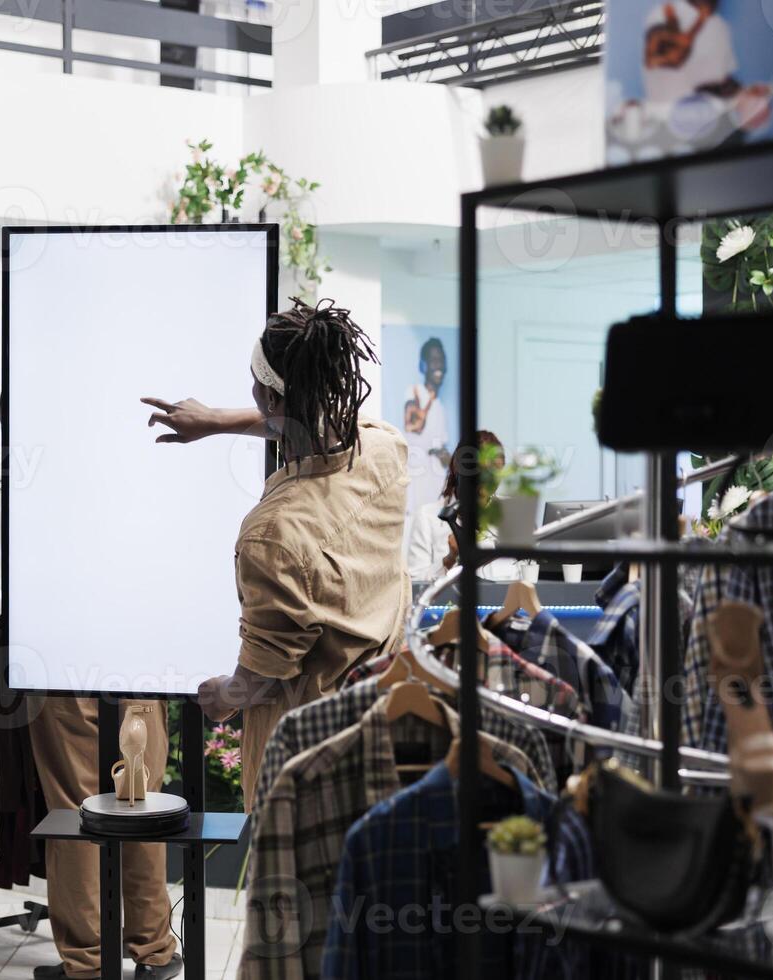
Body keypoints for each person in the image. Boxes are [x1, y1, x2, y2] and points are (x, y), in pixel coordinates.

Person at [0, 398, 180, 980]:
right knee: (140, 806)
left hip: (66, 671)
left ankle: (87, 962)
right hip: (144, 664)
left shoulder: (34, 481)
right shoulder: (129, 472)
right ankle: (155, 952)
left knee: (80, 813)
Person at [144, 298, 410, 808]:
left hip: (303, 767)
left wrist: (222, 698)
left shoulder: (272, 535)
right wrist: (218, 420)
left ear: (267, 394)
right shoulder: (384, 450)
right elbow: (304, 421)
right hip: (384, 727)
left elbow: (263, 677)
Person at [406, 430, 519, 583]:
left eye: (496, 470)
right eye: (482, 469)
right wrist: (450, 558)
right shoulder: (428, 517)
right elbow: (415, 584)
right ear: (458, 467)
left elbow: (529, 574)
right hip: (451, 606)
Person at [402, 337, 450, 542]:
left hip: (436, 489)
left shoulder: (440, 405)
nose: (438, 365)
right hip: (416, 488)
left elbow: (441, 450)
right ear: (423, 365)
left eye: (441, 359)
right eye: (433, 359)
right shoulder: (414, 392)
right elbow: (414, 426)